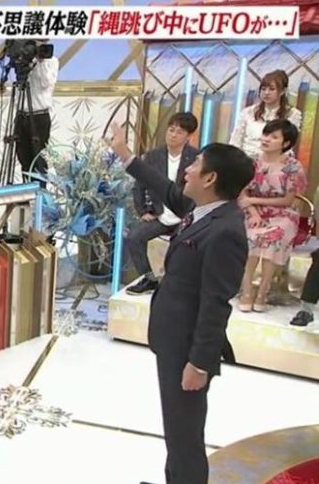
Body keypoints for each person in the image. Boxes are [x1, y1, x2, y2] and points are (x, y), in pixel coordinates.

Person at [109, 122, 255, 484]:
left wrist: (200, 363)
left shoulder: (225, 232)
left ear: (211, 178)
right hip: (172, 337)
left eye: (196, 164)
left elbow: (216, 304)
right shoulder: (204, 208)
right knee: (175, 428)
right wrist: (125, 154)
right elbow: (167, 190)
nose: (187, 169)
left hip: (188, 347)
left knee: (185, 434)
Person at [125, 112, 200, 295]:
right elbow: (139, 186)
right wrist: (143, 211)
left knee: (192, 244)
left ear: (189, 136)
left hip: (186, 216)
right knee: (134, 237)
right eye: (171, 130)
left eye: (179, 132)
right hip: (160, 214)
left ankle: (186, 284)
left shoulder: (196, 158)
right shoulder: (153, 156)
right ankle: (149, 279)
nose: (173, 135)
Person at [237, 120, 306, 312]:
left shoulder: (293, 167)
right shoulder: (251, 163)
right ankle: (247, 289)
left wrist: (254, 200)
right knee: (251, 237)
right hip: (252, 211)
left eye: (274, 137)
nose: (266, 139)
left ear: (286, 143)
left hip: (282, 214)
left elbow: (288, 200)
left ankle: (263, 291)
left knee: (273, 238)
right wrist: (253, 212)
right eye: (265, 134)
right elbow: (242, 194)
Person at [230, 69, 302, 160]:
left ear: (282, 91)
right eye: (263, 89)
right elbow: (235, 141)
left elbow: (288, 145)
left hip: (274, 161)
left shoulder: (292, 114)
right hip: (245, 161)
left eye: (272, 89)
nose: (266, 93)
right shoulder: (248, 112)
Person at [15, 41, 59, 183]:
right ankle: (26, 191)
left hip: (40, 116)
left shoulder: (52, 61)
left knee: (39, 161)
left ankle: (40, 192)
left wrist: (41, 62)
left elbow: (46, 83)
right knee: (23, 159)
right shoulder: (24, 57)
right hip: (21, 115)